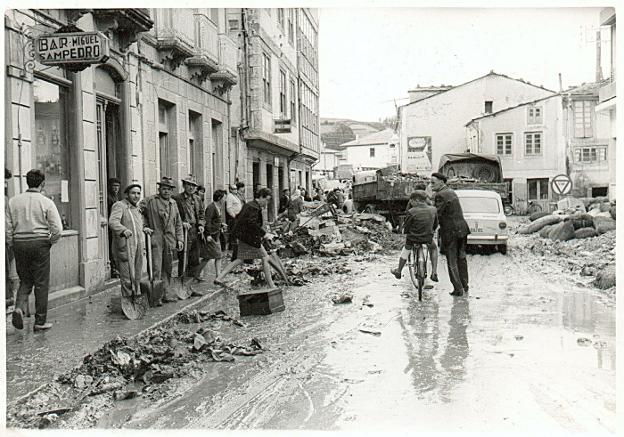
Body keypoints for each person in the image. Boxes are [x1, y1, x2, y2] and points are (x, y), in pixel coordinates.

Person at [6, 169, 62, 331]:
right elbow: (57, 229)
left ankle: (19, 308)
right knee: (41, 283)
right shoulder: (46, 202)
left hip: (19, 243)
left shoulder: (13, 201)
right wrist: (50, 241)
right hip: (39, 244)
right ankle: (40, 322)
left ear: (27, 182)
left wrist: (12, 243)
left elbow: (8, 228)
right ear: (43, 183)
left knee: (25, 279)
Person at [214, 188, 276, 289]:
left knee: (240, 259)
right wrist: (264, 234)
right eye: (267, 200)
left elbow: (240, 218)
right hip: (250, 238)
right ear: (260, 197)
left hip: (244, 237)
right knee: (265, 257)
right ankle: (271, 285)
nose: (267, 203)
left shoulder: (250, 205)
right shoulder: (254, 207)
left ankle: (219, 277)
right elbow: (252, 223)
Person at [142, 177, 184, 304]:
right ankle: (156, 296)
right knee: (156, 267)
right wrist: (145, 226)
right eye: (164, 189)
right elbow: (139, 212)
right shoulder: (150, 201)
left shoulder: (173, 203)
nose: (166, 192)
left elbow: (178, 223)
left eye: (169, 190)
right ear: (159, 189)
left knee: (168, 267)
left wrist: (180, 239)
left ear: (172, 192)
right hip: (156, 238)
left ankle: (166, 292)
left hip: (170, 239)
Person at [430, 172, 470, 297]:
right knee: (461, 258)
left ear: (441, 182)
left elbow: (437, 215)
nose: (431, 185)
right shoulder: (451, 192)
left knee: (452, 260)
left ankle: (458, 289)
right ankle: (465, 285)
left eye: (433, 182)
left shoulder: (440, 195)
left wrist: (430, 229)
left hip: (451, 231)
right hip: (462, 229)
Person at [109, 184, 149, 303]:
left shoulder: (136, 209)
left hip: (138, 247)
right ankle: (128, 302)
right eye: (133, 193)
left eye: (138, 193)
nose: (136, 196)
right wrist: (123, 230)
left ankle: (136, 300)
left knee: (137, 276)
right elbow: (113, 222)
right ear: (126, 194)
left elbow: (137, 225)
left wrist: (144, 229)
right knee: (127, 278)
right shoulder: (119, 206)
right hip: (125, 247)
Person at [391, 190, 438, 283]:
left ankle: (399, 271)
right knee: (433, 248)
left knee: (406, 249)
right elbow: (435, 225)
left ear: (416, 200)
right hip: (427, 237)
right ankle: (434, 272)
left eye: (411, 200)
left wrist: (405, 232)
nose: (411, 202)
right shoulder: (433, 210)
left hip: (413, 238)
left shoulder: (411, 211)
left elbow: (407, 226)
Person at [173, 176, 205, 280]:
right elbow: (174, 215)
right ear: (184, 185)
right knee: (183, 257)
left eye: (193, 185)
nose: (191, 187)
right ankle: (182, 278)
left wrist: (200, 224)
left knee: (195, 256)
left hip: (195, 230)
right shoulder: (177, 199)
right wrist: (182, 222)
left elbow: (201, 213)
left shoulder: (197, 198)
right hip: (184, 231)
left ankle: (193, 277)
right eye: (188, 184)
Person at [195, 189, 227, 284]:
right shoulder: (211, 207)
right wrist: (208, 234)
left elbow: (214, 221)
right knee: (218, 256)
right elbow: (207, 221)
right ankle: (218, 276)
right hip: (211, 235)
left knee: (208, 257)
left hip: (216, 234)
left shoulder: (218, 207)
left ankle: (196, 273)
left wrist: (221, 225)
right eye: (224, 197)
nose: (225, 200)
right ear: (219, 198)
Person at [107, 177, 122, 278]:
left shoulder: (117, 197)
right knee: (111, 248)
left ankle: (116, 268)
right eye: (114, 186)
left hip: (116, 226)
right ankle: (113, 269)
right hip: (109, 226)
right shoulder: (108, 198)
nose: (116, 188)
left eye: (117, 186)